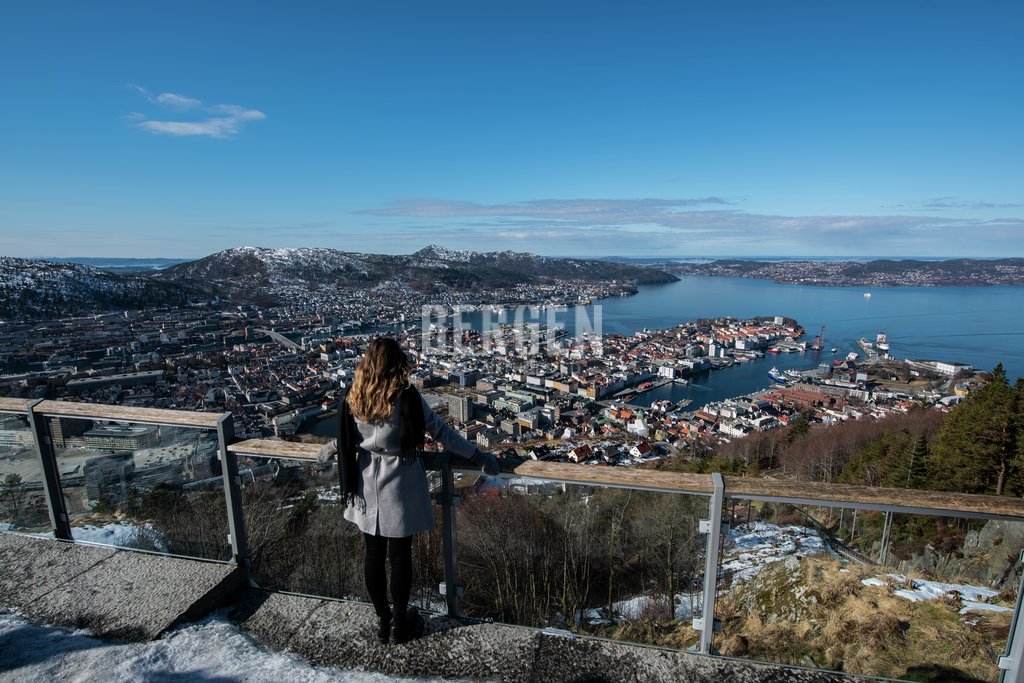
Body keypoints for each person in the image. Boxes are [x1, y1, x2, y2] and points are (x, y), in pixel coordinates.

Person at [317, 337, 500, 645]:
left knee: (373, 555)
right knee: (400, 556)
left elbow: (351, 437)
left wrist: (332, 447)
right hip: (399, 481)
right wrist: (479, 456)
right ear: (396, 363)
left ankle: (383, 621)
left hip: (364, 481)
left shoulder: (354, 395)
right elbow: (441, 432)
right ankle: (400, 623)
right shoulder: (405, 396)